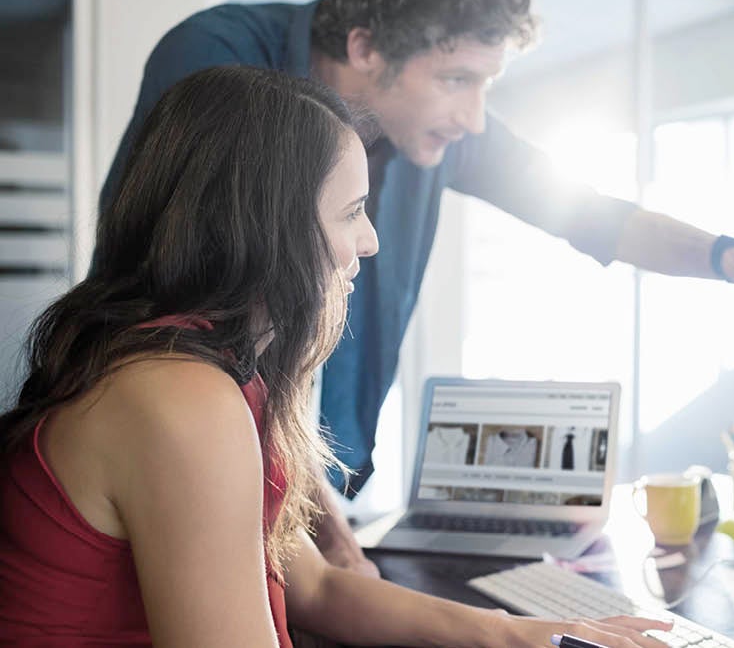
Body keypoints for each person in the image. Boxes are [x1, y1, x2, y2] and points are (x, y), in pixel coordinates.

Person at [97, 0, 734, 575]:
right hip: (184, 467)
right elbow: (184, 305)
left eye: (486, 84)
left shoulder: (434, 125)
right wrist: (318, 521)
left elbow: (585, 210)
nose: (475, 117)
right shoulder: (220, 63)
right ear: (366, 46)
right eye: (456, 80)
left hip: (315, 487)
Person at [0, 65, 673, 647]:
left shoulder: (199, 370)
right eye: (352, 211)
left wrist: (509, 631)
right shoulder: (179, 397)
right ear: (270, 228)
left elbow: (313, 585)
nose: (371, 240)